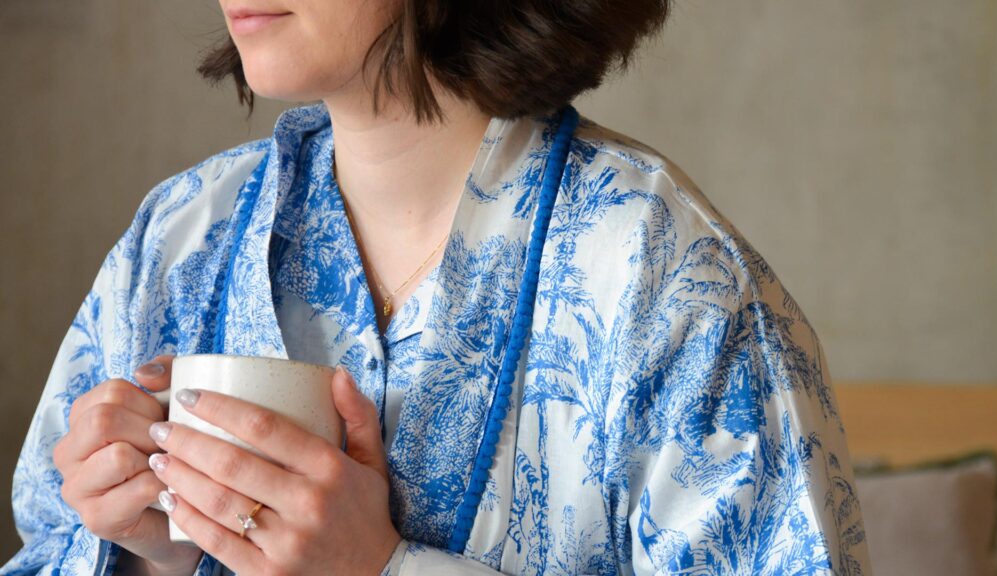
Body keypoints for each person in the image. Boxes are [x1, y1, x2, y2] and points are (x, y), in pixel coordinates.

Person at [3, 1, 872, 575]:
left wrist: (384, 568)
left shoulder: (665, 275)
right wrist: (147, 554)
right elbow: (47, 543)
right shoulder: (180, 235)